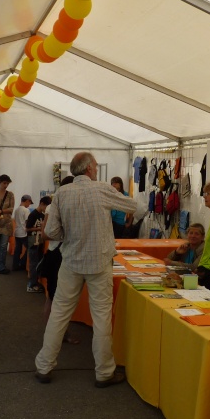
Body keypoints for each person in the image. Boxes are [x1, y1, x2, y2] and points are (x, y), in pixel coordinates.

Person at [34, 152, 137, 386]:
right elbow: (133, 205)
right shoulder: (101, 189)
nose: (97, 170)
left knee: (59, 314)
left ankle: (44, 366)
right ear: (90, 168)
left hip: (70, 261)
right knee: (101, 316)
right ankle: (104, 372)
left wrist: (67, 237)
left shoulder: (61, 193)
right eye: (96, 167)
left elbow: (51, 232)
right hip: (99, 262)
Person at [38, 176, 79, 344]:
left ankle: (55, 332)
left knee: (54, 297)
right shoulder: (57, 207)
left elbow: (44, 232)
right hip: (58, 254)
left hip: (56, 253)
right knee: (59, 298)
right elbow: (45, 233)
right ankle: (59, 334)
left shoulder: (53, 206)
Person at [26, 196, 51, 292]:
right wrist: (40, 229)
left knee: (38, 263)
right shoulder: (33, 215)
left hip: (40, 241)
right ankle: (31, 285)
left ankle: (35, 282)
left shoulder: (43, 215)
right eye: (46, 207)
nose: (46, 209)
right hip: (33, 241)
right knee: (33, 263)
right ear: (42, 204)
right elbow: (27, 228)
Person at [12, 195, 32, 272]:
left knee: (17, 250)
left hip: (17, 231)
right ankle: (23, 264)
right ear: (27, 201)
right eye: (29, 203)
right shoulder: (26, 210)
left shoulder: (16, 210)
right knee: (28, 248)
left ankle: (15, 265)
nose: (29, 205)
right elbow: (28, 222)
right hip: (24, 232)